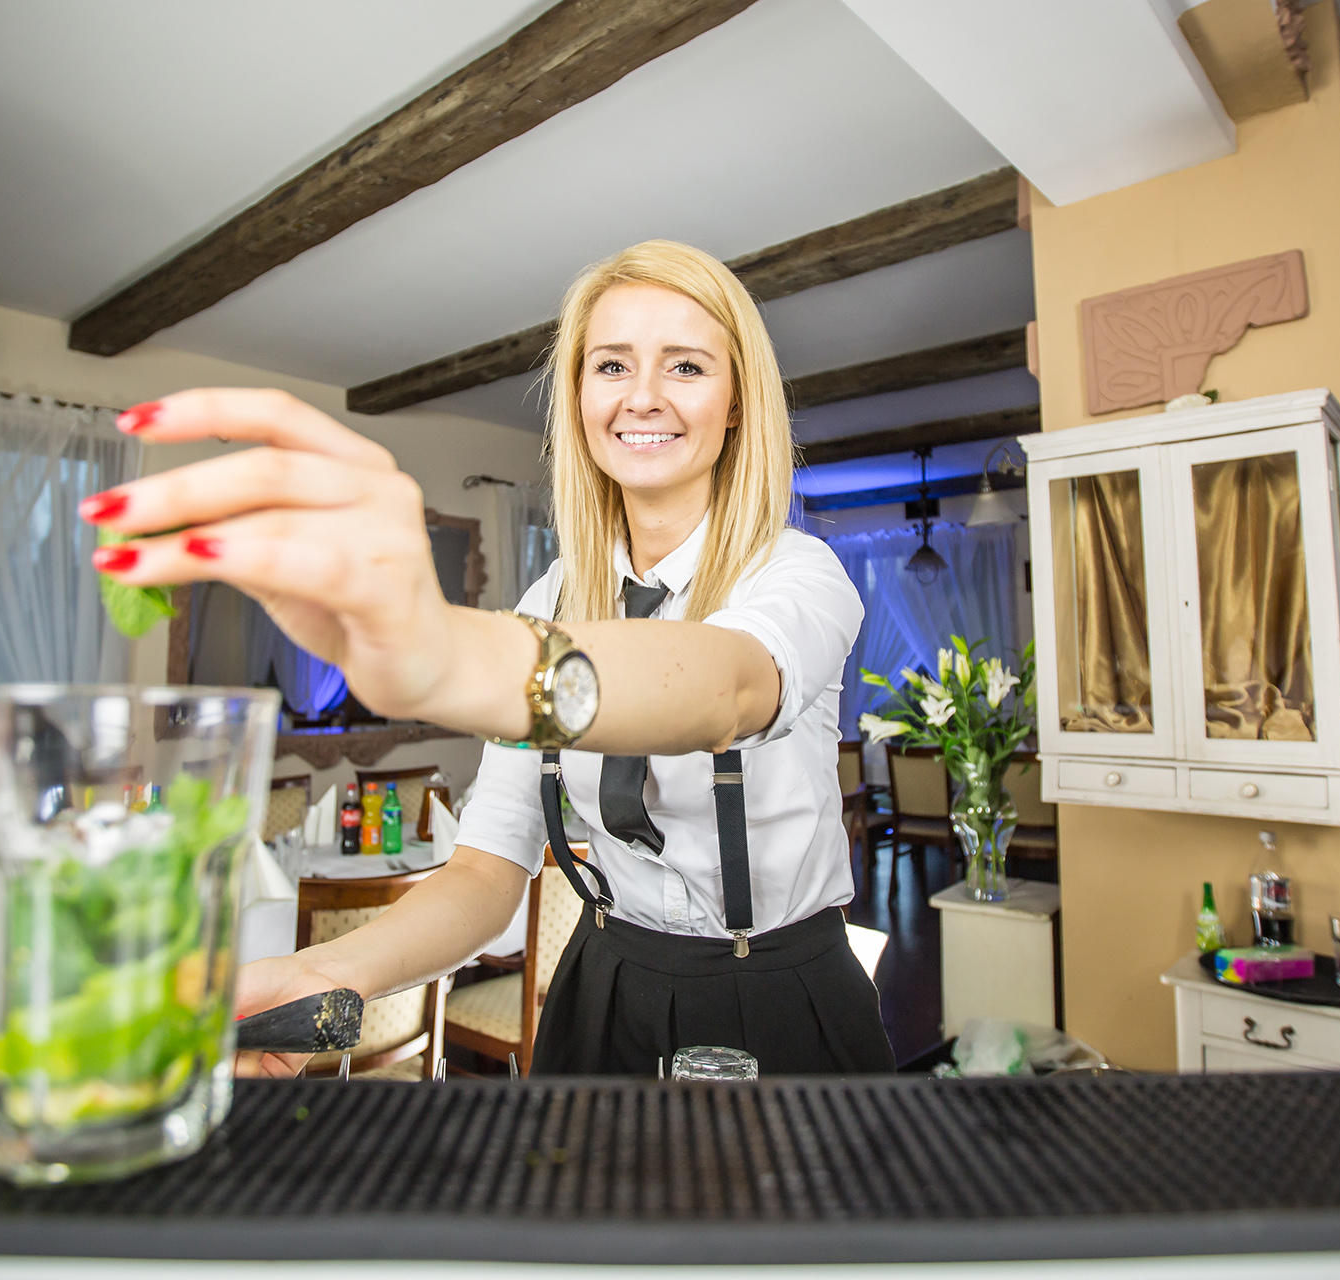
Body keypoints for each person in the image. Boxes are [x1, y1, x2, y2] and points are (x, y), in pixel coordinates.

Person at [82, 240, 893, 1077]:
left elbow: (725, 687)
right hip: (603, 987)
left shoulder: (799, 573)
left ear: (736, 405)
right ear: (578, 396)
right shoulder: (551, 599)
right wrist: (327, 971)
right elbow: (485, 870)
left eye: (686, 366)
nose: (643, 396)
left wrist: (447, 652)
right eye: (612, 365)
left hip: (782, 997)